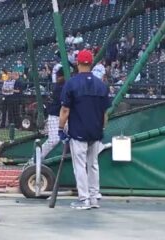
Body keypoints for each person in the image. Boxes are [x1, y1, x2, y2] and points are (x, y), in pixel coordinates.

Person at [59, 50, 110, 210]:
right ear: (91, 63)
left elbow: (65, 110)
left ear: (78, 63)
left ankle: (84, 199)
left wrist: (61, 128)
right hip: (95, 131)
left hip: (78, 131)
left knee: (80, 165)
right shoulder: (101, 85)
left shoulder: (72, 83)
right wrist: (102, 128)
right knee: (93, 164)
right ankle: (94, 198)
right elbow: (105, 113)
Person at [39, 67, 65, 160]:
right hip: (56, 117)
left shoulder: (65, 85)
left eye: (59, 76)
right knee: (54, 140)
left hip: (66, 117)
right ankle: (35, 160)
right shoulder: (59, 87)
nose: (58, 78)